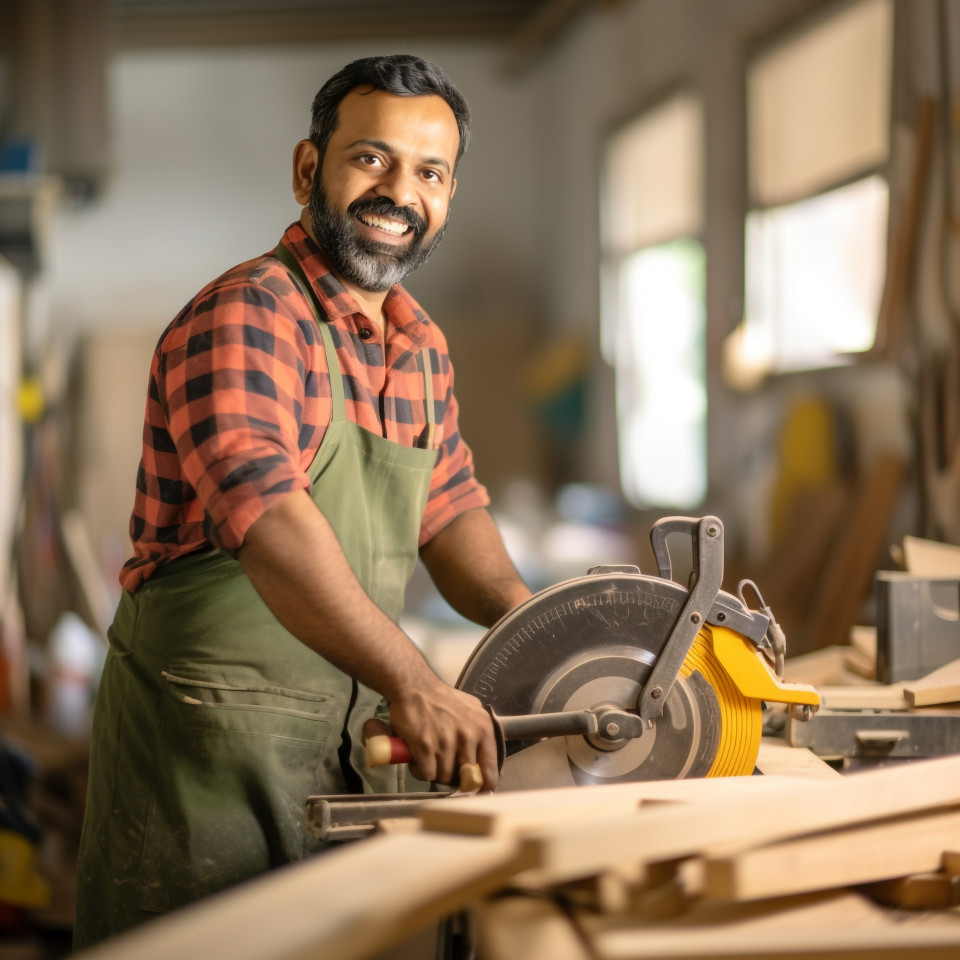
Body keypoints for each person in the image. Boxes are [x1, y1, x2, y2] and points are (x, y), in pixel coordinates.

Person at [74, 54, 532, 949]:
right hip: (205, 762)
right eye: (371, 158)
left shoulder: (418, 344)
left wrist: (541, 627)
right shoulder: (248, 314)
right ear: (307, 168)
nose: (399, 192)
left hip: (341, 746)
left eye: (429, 172)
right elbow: (271, 521)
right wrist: (412, 679)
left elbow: (448, 505)